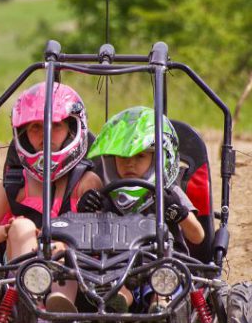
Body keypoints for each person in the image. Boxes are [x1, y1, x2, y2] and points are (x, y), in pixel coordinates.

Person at [0, 82, 102, 313]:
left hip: (79, 284)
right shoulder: (15, 185)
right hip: (22, 282)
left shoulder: (87, 182)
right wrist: (7, 230)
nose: (45, 134)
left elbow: (105, 234)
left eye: (55, 126)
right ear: (22, 135)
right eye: (35, 128)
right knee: (22, 226)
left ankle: (58, 302)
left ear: (72, 129)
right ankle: (32, 301)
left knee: (62, 243)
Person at [79, 105, 205, 311]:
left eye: (140, 157)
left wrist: (179, 214)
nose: (130, 164)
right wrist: (86, 212)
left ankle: (160, 305)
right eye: (123, 157)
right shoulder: (107, 193)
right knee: (110, 280)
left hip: (162, 267)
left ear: (158, 159)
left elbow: (198, 236)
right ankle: (116, 304)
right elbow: (86, 239)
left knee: (163, 277)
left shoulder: (169, 193)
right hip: (117, 268)